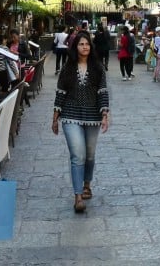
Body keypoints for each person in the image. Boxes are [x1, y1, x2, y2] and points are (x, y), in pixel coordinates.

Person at [52, 31, 110, 213]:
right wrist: (55, 118)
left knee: (90, 155)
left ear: (90, 47)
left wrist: (105, 114)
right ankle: (77, 196)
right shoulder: (67, 69)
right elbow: (60, 93)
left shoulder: (98, 68)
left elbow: (102, 92)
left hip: (93, 116)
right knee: (78, 155)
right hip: (70, 115)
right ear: (74, 47)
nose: (84, 47)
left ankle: (87, 184)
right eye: (81, 44)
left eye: (87, 44)